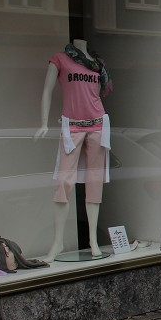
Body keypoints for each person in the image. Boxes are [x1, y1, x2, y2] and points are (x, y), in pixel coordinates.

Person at [34, 38, 114, 262]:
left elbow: (95, 94)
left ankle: (93, 241)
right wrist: (43, 123)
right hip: (73, 126)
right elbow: (47, 91)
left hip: (98, 124)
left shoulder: (97, 64)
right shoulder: (60, 59)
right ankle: (58, 242)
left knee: (94, 182)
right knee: (64, 182)